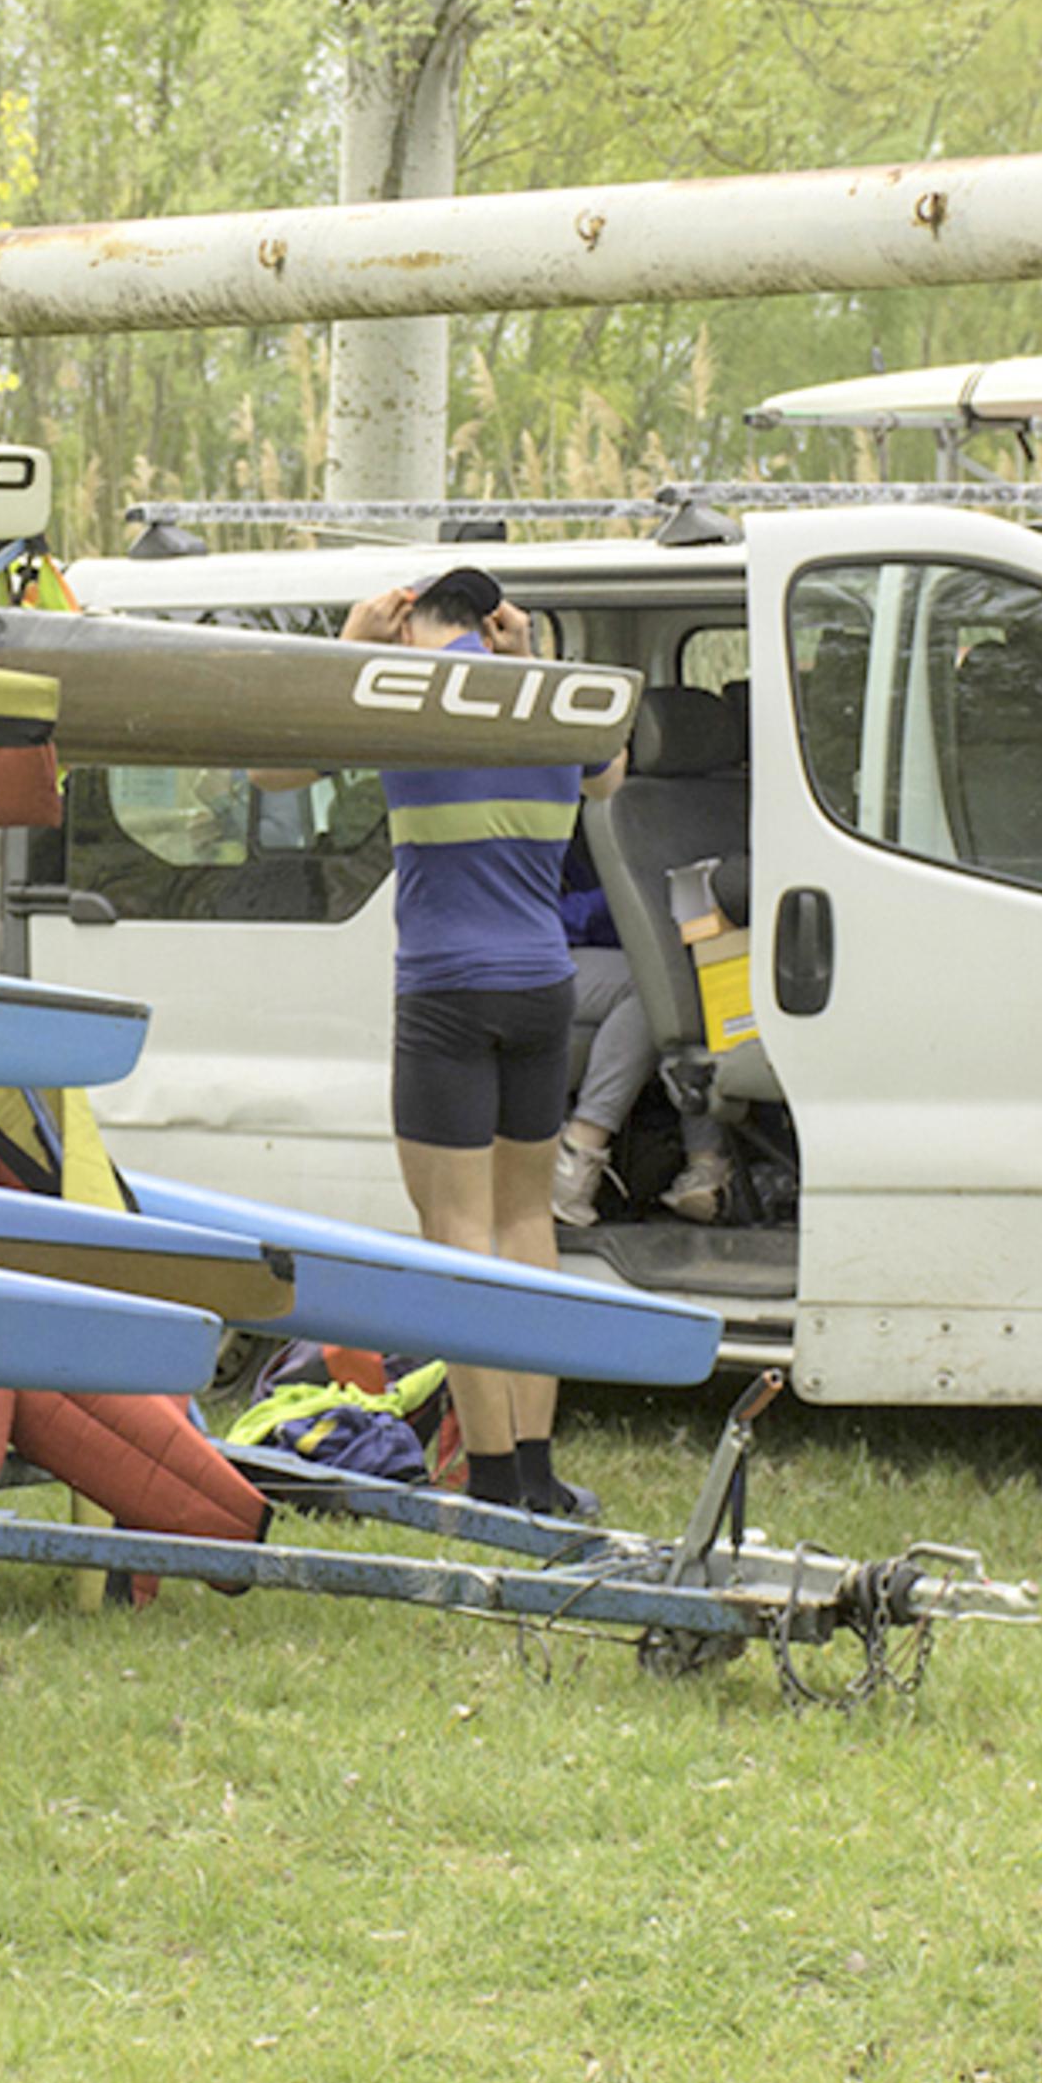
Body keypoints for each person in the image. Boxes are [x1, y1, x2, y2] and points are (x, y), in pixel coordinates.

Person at [322, 567, 620, 1519]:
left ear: (413, 617)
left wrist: (355, 641)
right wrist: (528, 659)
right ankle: (536, 1467)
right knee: (529, 1225)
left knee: (455, 1235)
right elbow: (609, 775)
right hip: (543, 988)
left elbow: (273, 767)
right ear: (495, 622)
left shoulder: (403, 698)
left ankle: (490, 1474)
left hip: (446, 994)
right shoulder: (545, 704)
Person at [547, 826, 728, 1231]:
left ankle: (705, 1166)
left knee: (682, 978)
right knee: (651, 983)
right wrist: (625, 895)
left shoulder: (653, 809)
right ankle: (580, 1151)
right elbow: (548, 918)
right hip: (528, 952)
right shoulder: (539, 803)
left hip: (615, 951)